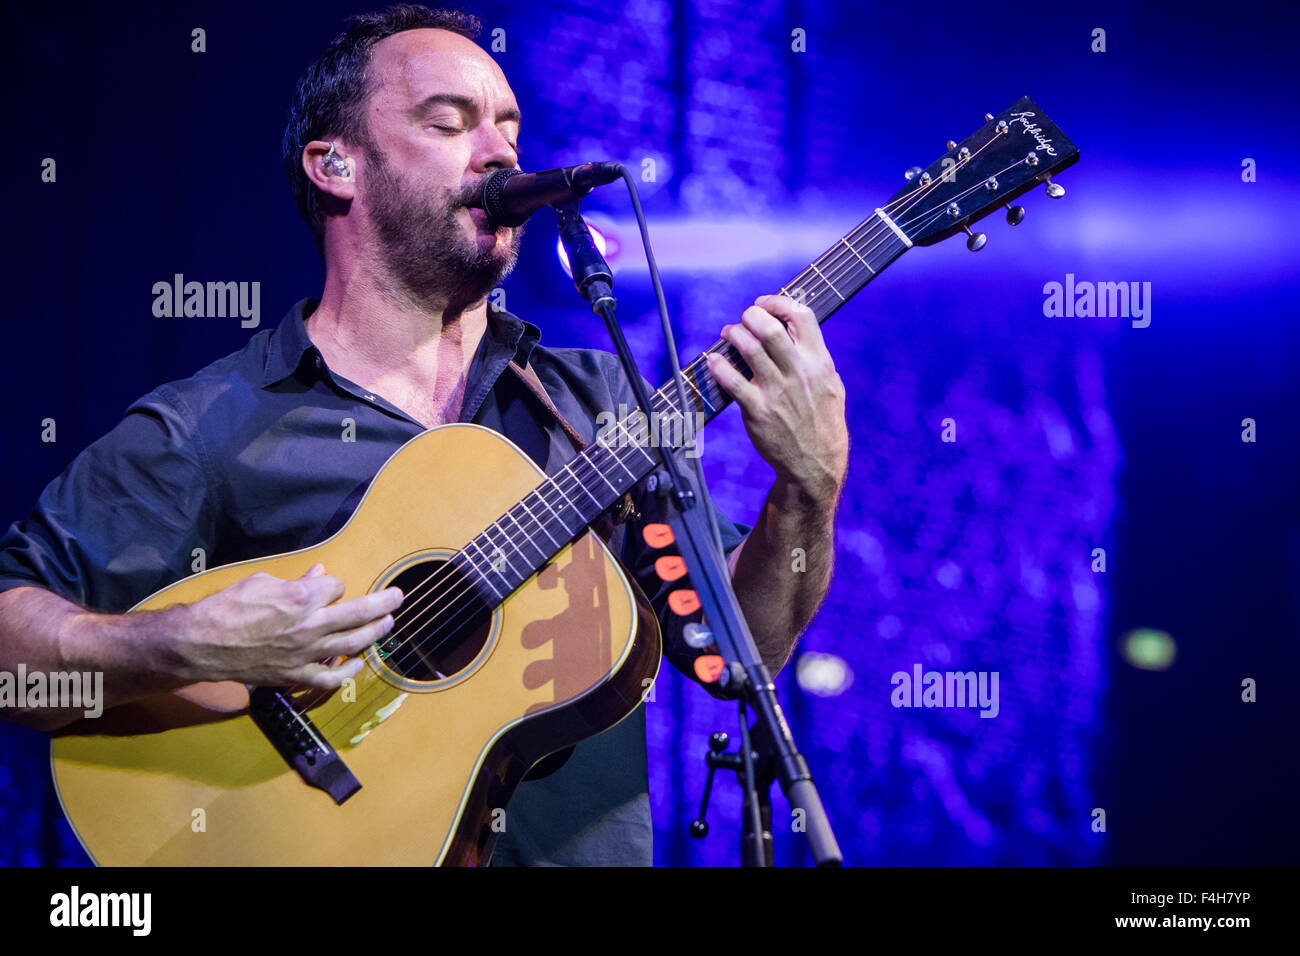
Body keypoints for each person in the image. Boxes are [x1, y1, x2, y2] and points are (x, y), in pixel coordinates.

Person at [0, 5, 848, 866]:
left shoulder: (597, 402)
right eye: (450, 122)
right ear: (337, 166)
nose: (501, 153)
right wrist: (181, 643)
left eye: (509, 127)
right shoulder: (211, 421)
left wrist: (809, 489)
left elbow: (748, 648)